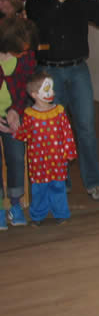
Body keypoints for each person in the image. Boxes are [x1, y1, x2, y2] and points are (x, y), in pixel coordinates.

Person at [26, 0, 99, 202]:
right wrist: (59, 2)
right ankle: (61, 181)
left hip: (78, 70)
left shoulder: (78, 2)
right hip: (49, 72)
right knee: (55, 129)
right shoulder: (35, 4)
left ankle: (94, 183)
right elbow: (40, 28)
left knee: (86, 128)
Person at [14, 72, 76, 225]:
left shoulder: (59, 111)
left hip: (57, 160)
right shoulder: (30, 114)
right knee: (38, 189)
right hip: (38, 161)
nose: (52, 92)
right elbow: (25, 133)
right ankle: (37, 216)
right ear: (34, 94)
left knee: (58, 187)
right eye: (47, 89)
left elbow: (67, 133)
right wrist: (15, 133)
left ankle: (61, 213)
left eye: (52, 88)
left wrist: (69, 151)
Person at [0, 17, 36, 228]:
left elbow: (25, 86)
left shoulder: (27, 56)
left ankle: (15, 204)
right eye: (20, 49)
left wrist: (16, 110)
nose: (24, 52)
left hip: (12, 113)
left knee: (16, 157)